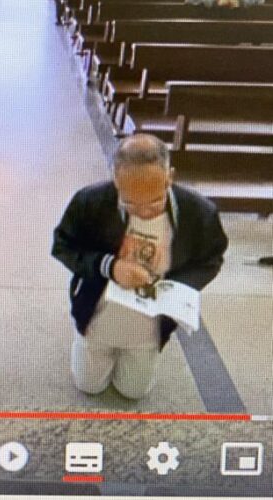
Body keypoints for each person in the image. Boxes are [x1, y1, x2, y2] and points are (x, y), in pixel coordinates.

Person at [51, 134, 228, 400]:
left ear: (170, 177)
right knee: (89, 385)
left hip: (151, 322)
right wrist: (109, 266)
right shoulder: (90, 201)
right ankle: (87, 343)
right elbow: (63, 246)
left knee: (134, 391)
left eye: (155, 201)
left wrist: (177, 288)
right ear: (116, 178)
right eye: (130, 202)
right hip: (99, 309)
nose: (144, 212)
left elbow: (211, 259)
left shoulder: (199, 212)